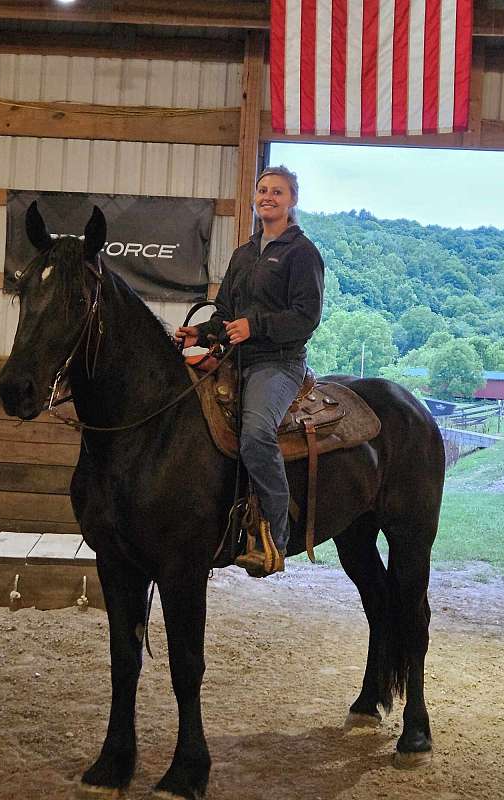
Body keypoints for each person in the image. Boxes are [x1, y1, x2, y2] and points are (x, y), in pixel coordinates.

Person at [175, 165, 324, 576]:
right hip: (235, 359)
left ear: (292, 200)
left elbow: (307, 316)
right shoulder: (244, 253)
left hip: (278, 362)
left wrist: (255, 326)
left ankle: (276, 534)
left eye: (277, 191)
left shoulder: (302, 253)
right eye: (262, 190)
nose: (267, 197)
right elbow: (225, 313)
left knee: (256, 434)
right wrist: (200, 333)